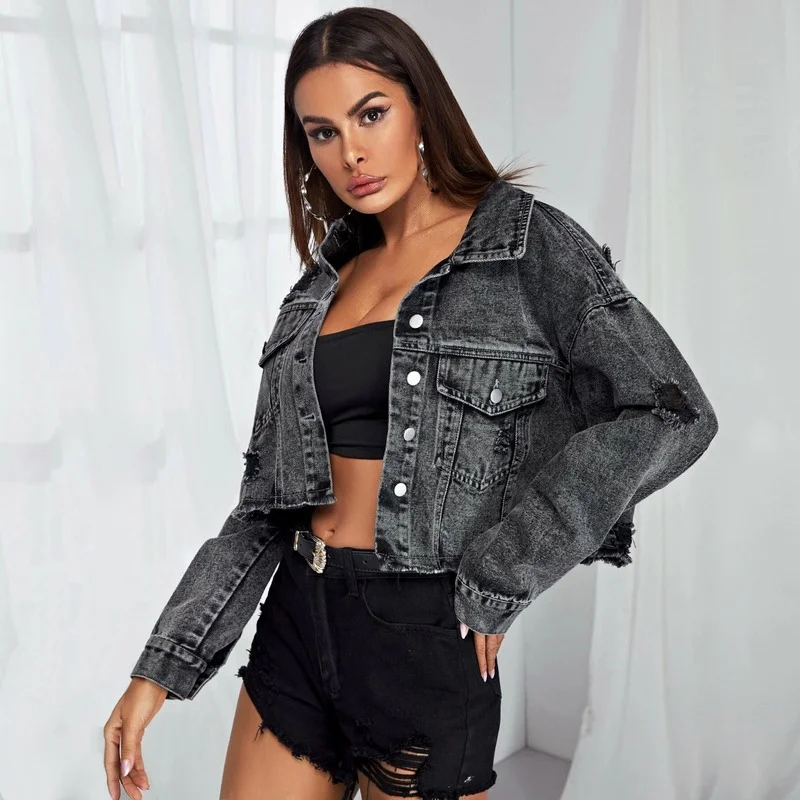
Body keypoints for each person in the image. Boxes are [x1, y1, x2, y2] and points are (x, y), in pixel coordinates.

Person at [102, 8, 719, 800]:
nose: (351, 154)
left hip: (424, 634)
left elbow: (670, 411)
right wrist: (161, 667)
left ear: (420, 107)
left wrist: (507, 567)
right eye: (322, 133)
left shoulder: (525, 246)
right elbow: (265, 508)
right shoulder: (320, 287)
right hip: (298, 621)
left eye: (371, 114)